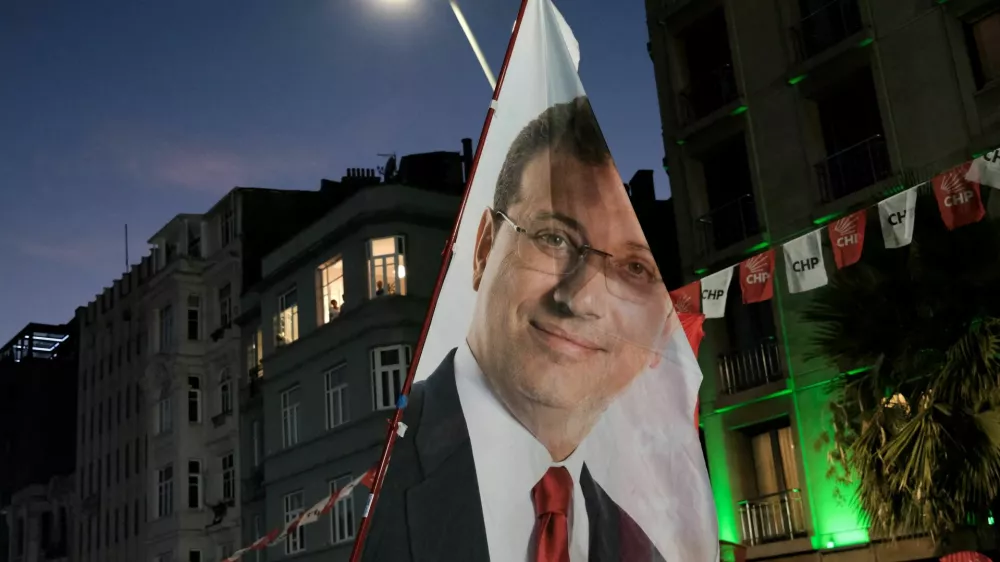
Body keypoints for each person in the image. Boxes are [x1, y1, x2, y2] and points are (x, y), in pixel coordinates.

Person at [362, 97, 673, 562]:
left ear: (660, 333)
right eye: (554, 238)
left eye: (633, 268)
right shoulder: (366, 476)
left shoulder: (645, 551)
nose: (583, 297)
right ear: (485, 248)